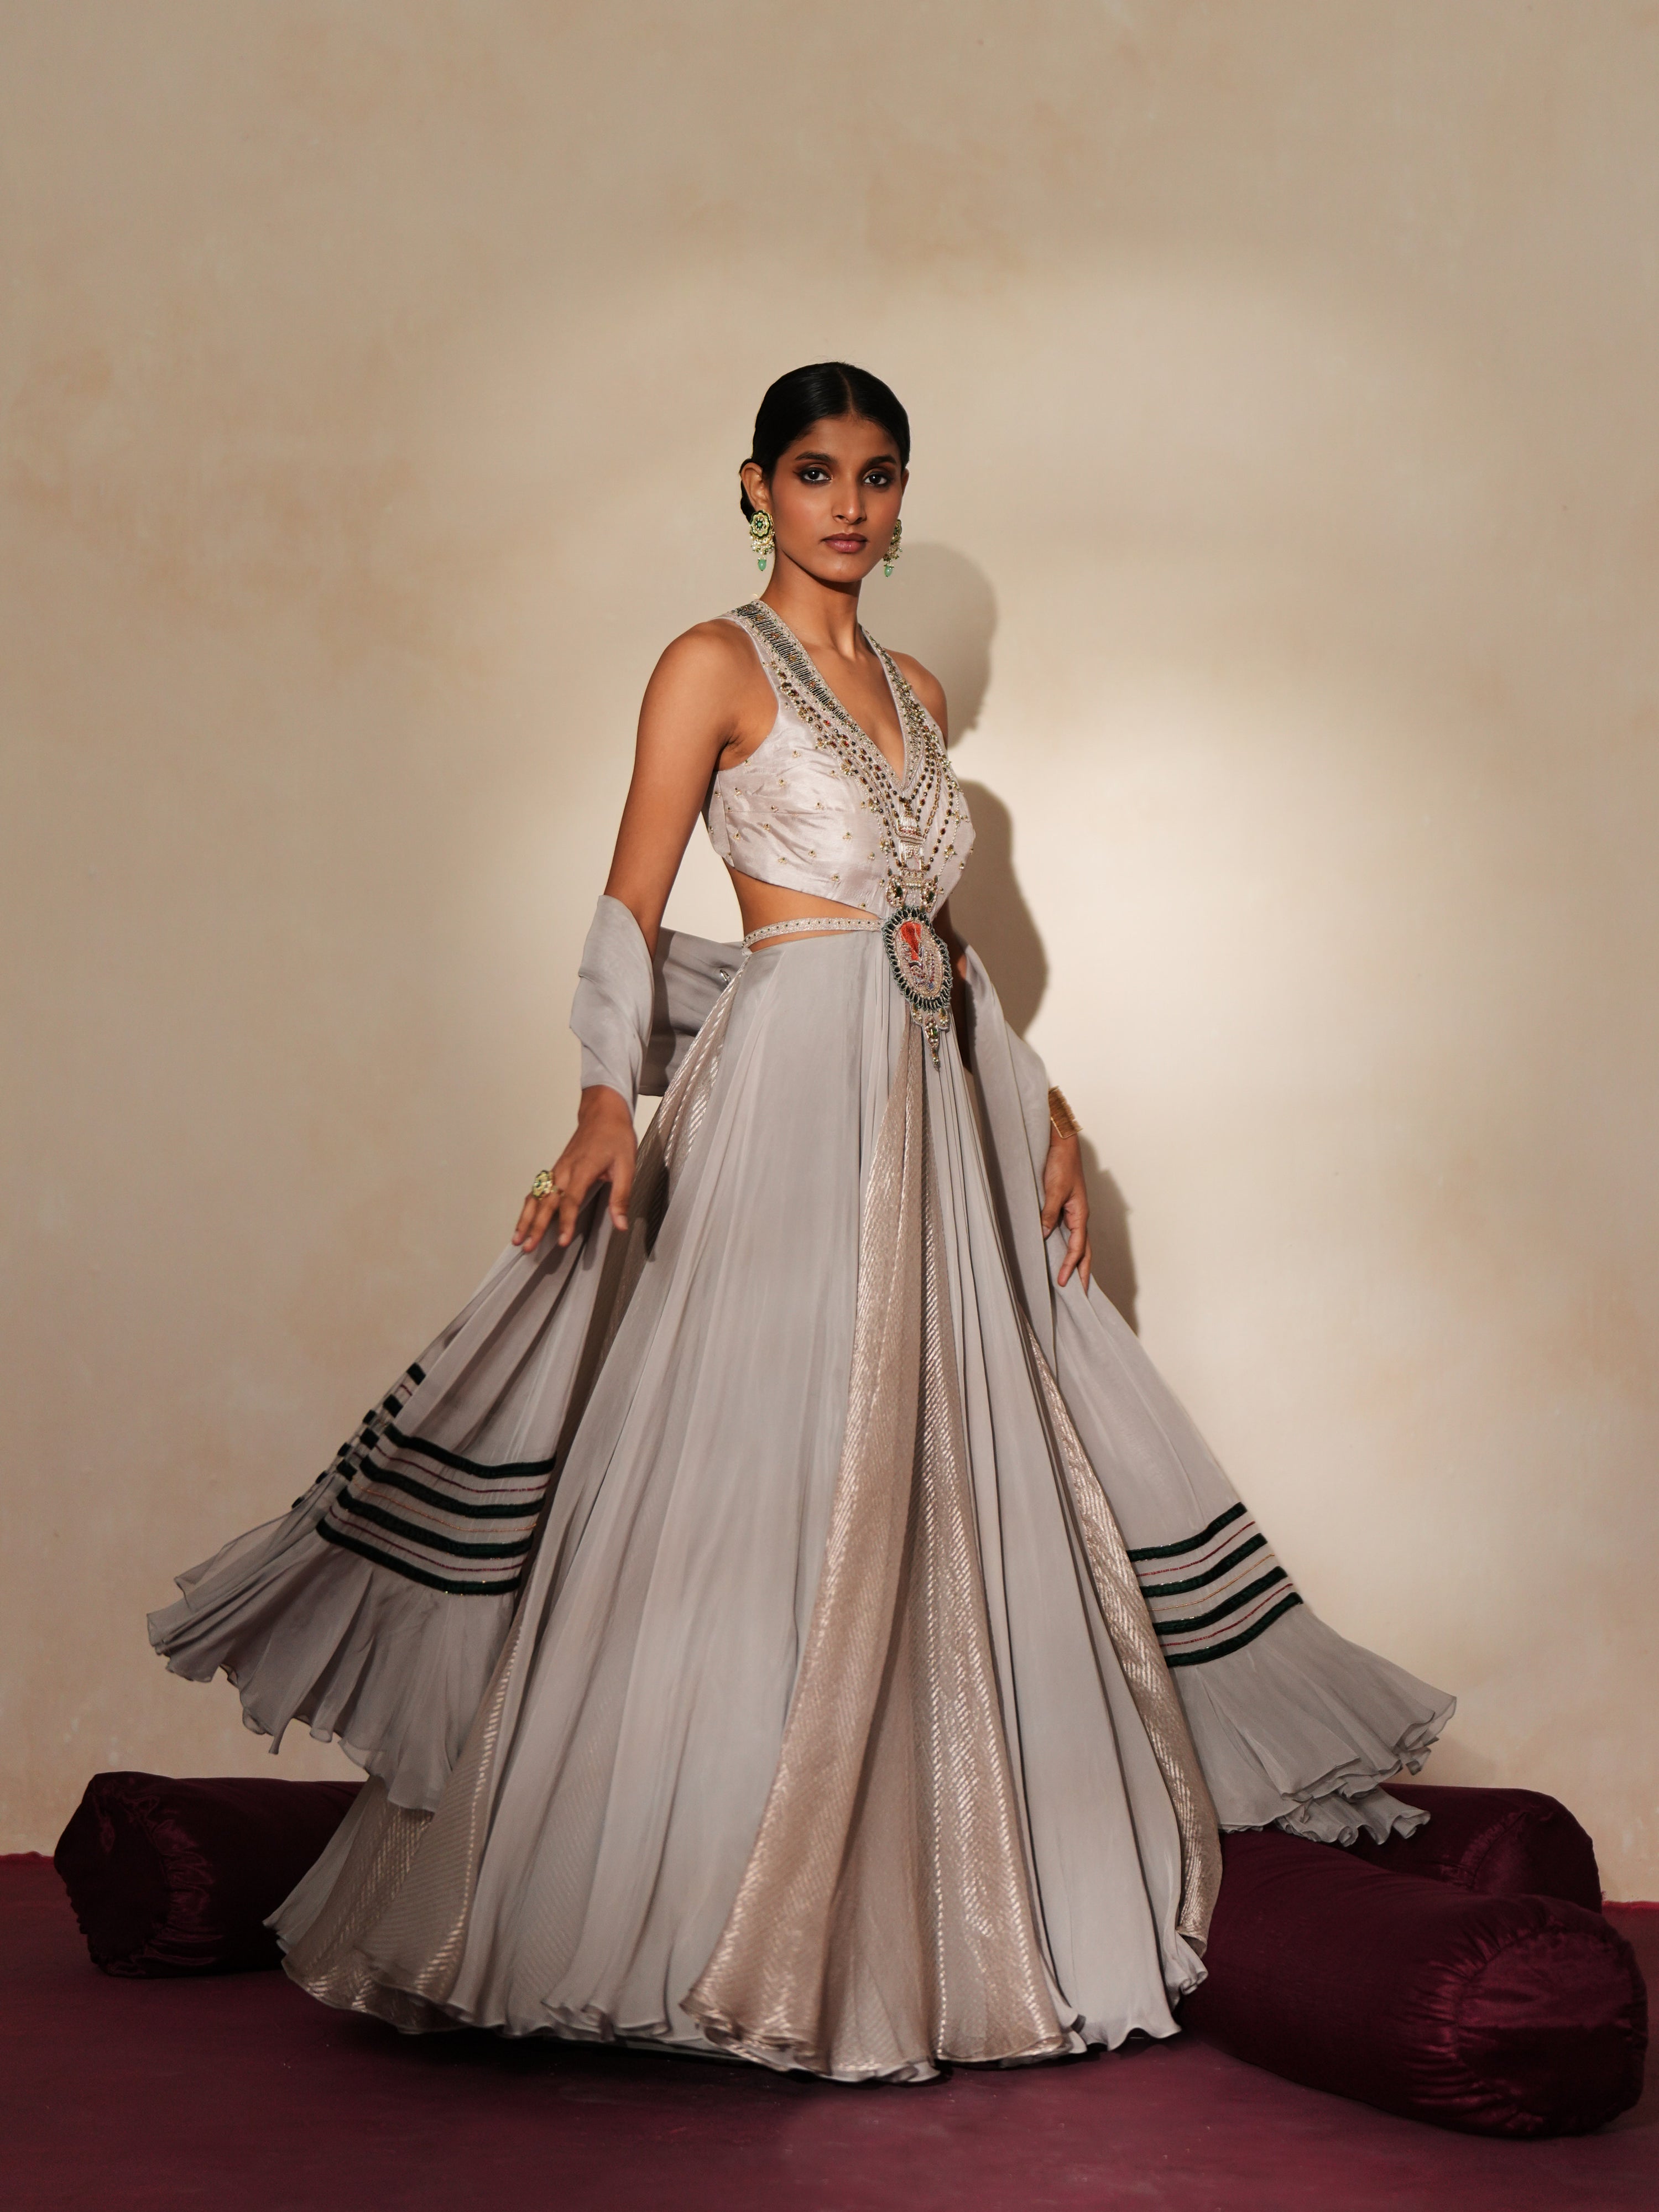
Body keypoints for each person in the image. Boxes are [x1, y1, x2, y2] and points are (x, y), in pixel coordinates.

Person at [150, 362, 1452, 2084]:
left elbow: (940, 939)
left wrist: (1047, 1114)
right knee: (761, 1457)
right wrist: (604, 1102)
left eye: (880, 474)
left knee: (941, 1468)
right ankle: (682, 1909)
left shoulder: (916, 692)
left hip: (936, 1104)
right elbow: (629, 909)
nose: (852, 503)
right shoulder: (712, 663)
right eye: (819, 471)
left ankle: (933, 1918)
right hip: (787, 1101)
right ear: (756, 486)